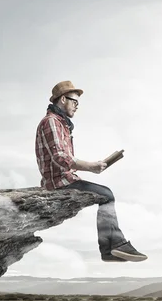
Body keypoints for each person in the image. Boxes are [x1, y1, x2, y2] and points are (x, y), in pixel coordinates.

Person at [35, 80, 147, 263]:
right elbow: (60, 157)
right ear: (63, 99)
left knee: (105, 194)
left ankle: (110, 249)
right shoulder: (52, 122)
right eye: (75, 101)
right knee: (106, 195)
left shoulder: (60, 123)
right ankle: (112, 248)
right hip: (58, 183)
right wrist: (91, 166)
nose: (77, 106)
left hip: (64, 179)